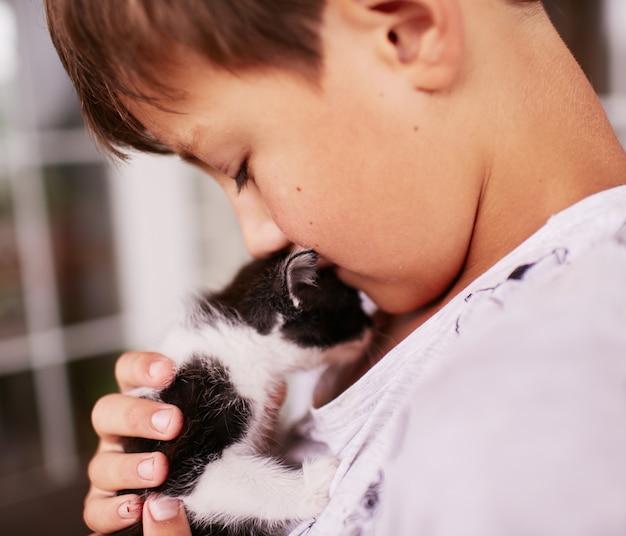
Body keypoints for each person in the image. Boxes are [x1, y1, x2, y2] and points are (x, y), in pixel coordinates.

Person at [44, 0, 626, 534]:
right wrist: (192, 489)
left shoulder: (562, 389)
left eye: (241, 167)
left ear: (405, 33)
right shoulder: (363, 307)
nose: (256, 238)